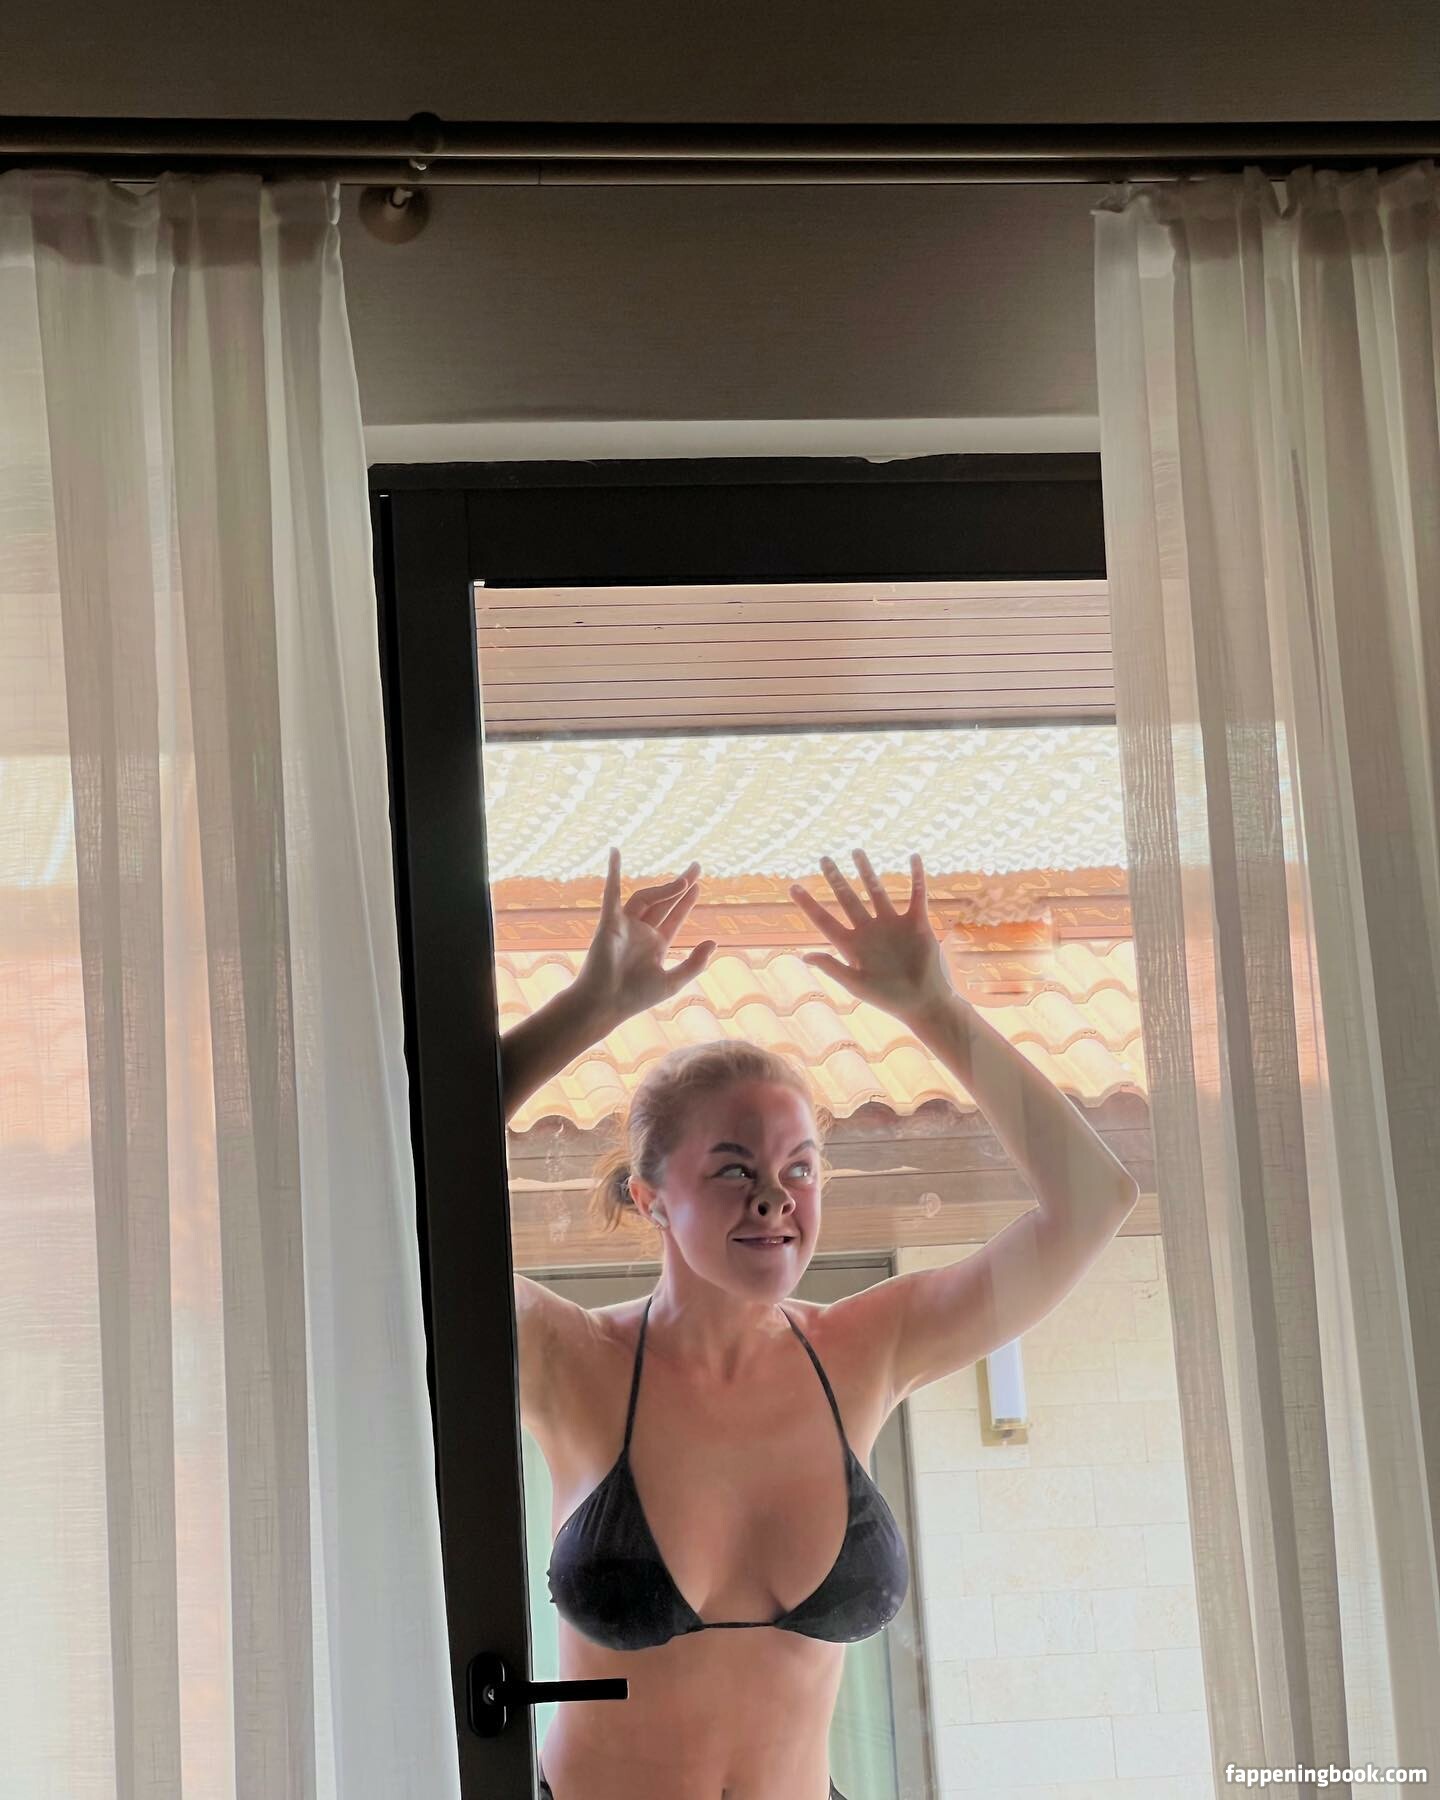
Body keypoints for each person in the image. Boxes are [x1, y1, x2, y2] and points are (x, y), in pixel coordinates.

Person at [501, 847, 1140, 1800]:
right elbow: (404, 1184)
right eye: (733, 1169)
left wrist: (935, 1008)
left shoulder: (864, 1349)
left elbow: (1093, 1200)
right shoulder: (569, 1357)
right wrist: (589, 1008)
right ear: (650, 1197)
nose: (773, 1199)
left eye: (798, 1169)